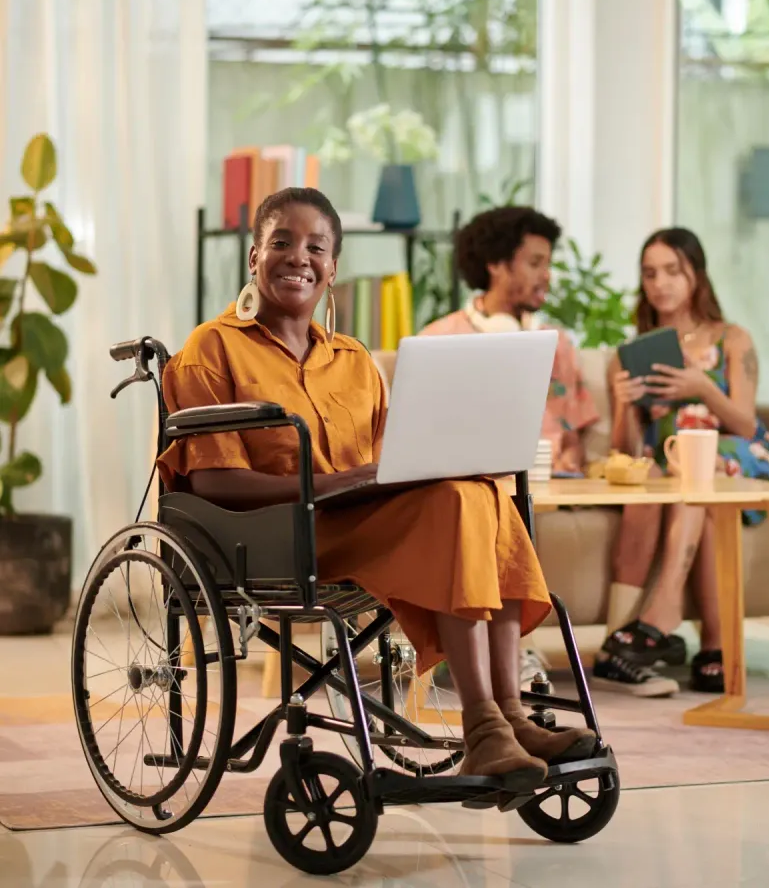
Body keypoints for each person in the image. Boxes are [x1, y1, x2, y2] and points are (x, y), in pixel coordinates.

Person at [156, 187, 596, 787]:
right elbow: (213, 480)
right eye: (281, 241)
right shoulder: (211, 349)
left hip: (362, 524)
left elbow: (391, 462)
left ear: (333, 269)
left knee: (481, 489)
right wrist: (340, 480)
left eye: (316, 247)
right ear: (253, 258)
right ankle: (484, 726)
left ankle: (509, 718)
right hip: (277, 536)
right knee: (456, 501)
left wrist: (411, 467)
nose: (298, 257)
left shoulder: (355, 360)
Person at [592, 227, 769, 697]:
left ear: (696, 275)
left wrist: (702, 387)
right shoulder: (633, 354)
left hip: (743, 458)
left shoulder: (732, 339)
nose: (660, 283)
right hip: (688, 470)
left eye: (672, 271)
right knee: (693, 482)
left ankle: (662, 612)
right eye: (649, 274)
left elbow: (744, 424)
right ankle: (715, 652)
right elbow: (629, 449)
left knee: (699, 469)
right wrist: (623, 403)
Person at [419, 206, 599, 474]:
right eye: (535, 264)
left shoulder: (557, 343)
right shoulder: (437, 340)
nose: (546, 276)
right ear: (496, 265)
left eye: (548, 264)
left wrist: (572, 458)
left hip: (548, 487)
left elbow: (572, 438)